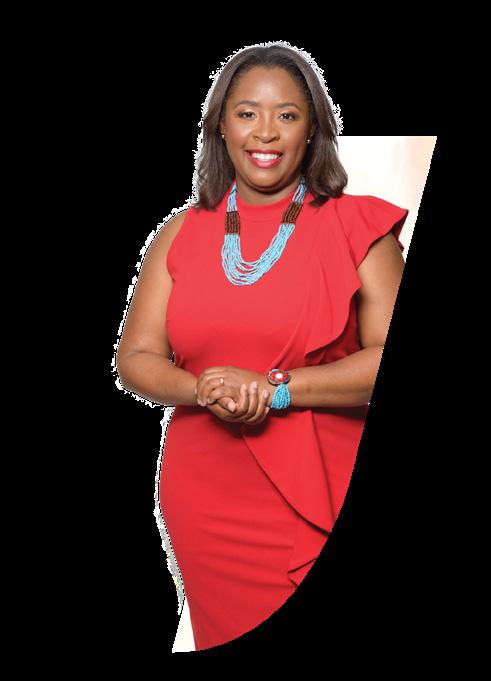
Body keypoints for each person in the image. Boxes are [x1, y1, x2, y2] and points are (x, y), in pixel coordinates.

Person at [116, 44, 409, 652]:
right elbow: (135, 358)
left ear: (313, 130)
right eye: (247, 113)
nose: (266, 133)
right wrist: (200, 388)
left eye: (288, 115)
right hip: (206, 495)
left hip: (322, 485)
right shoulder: (180, 232)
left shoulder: (358, 228)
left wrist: (275, 390)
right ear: (221, 127)